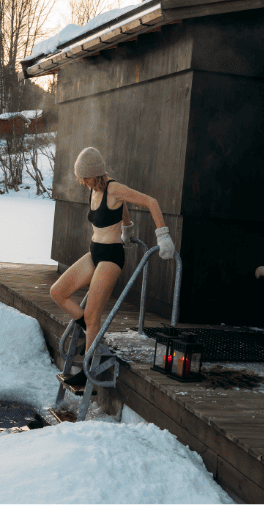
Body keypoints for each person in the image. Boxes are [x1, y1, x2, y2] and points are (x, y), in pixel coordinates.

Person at [50, 146, 174, 388]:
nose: (82, 182)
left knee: (93, 314)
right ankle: (91, 333)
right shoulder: (94, 191)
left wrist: (163, 235)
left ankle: (87, 372)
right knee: (58, 292)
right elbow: (122, 207)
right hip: (95, 252)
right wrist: (127, 227)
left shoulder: (113, 188)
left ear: (94, 173)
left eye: (84, 178)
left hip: (111, 257)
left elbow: (150, 201)